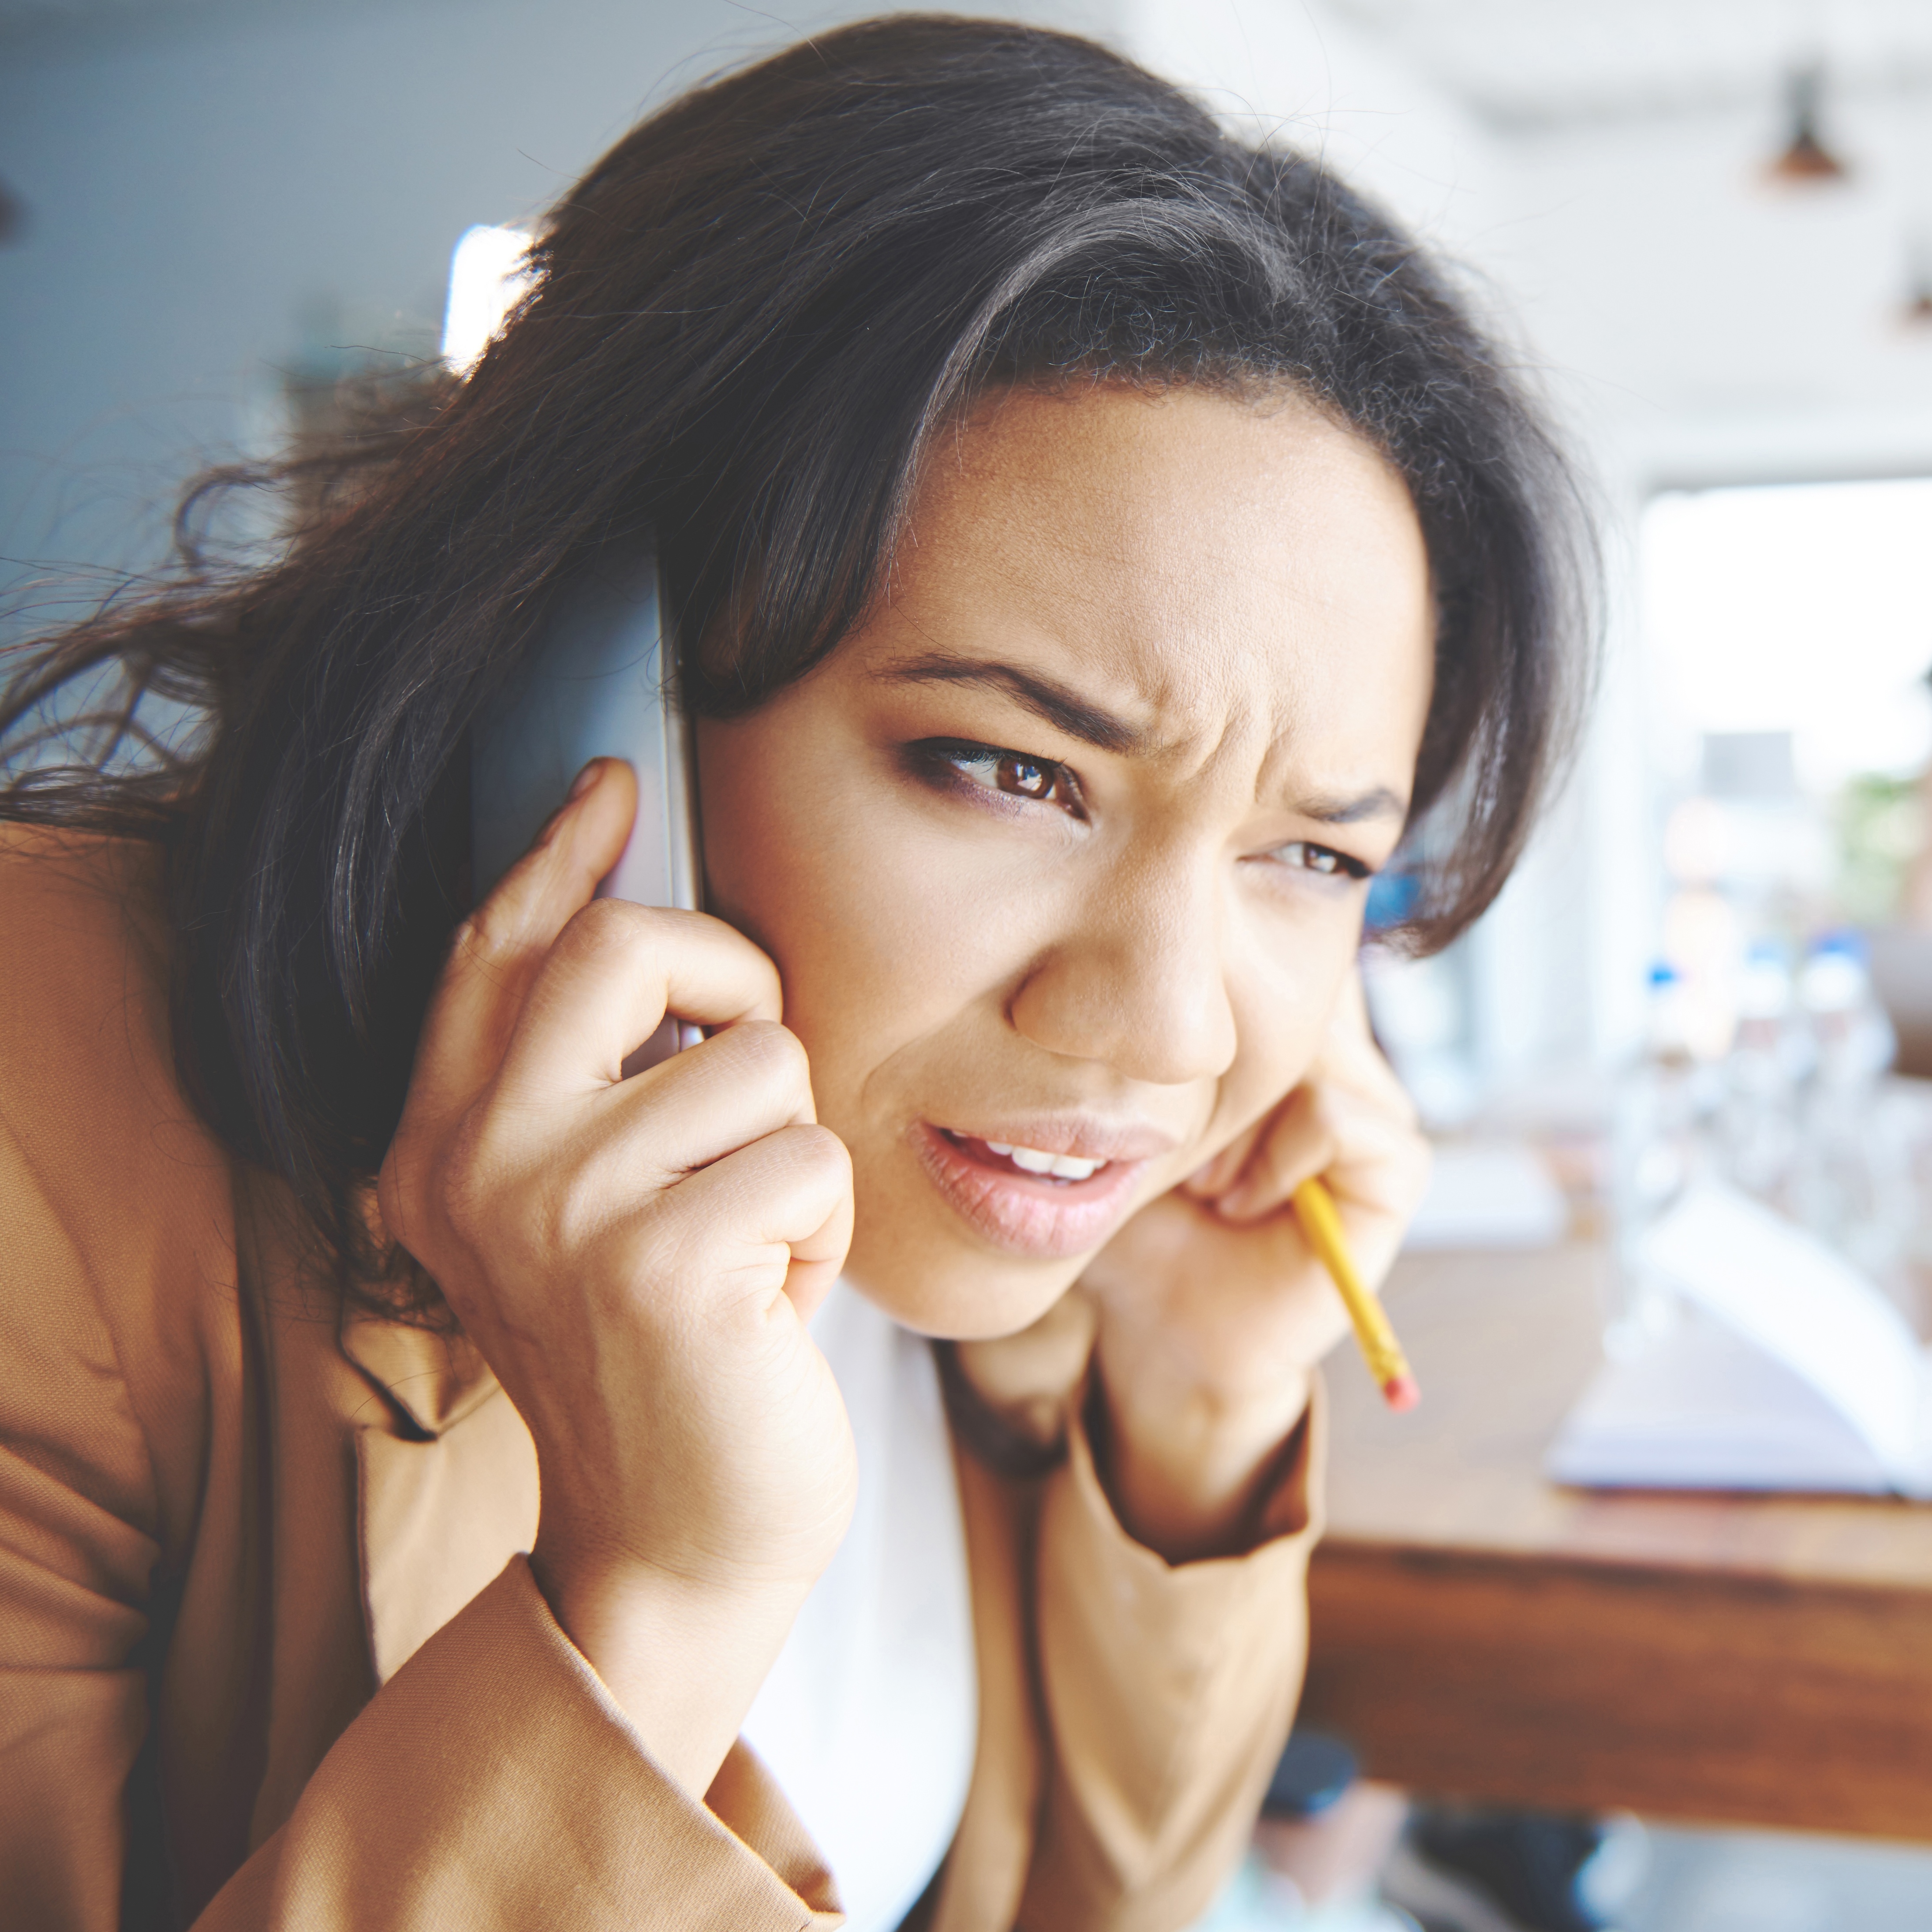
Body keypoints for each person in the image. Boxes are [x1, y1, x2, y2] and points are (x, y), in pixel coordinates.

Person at [0, 16, 1587, 1930]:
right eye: (1014, 772)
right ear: (581, 676)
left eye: (1310, 854)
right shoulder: (48, 1113)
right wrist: (650, 1596)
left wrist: (1187, 1413)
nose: (1170, 1031)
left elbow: (1110, 1904)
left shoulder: (1001, 1268)